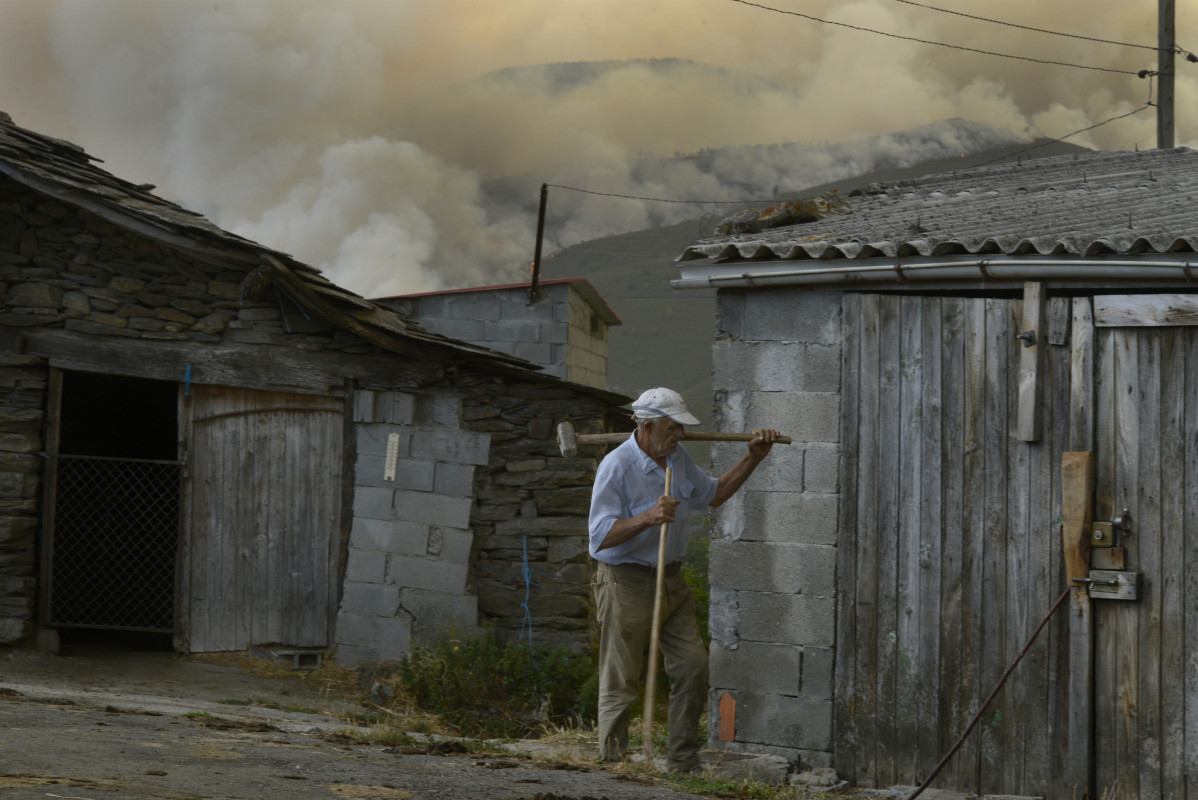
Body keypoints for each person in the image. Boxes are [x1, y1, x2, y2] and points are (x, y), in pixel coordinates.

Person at [588, 387, 779, 774]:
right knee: (622, 675)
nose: (682, 435)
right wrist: (647, 516)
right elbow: (599, 537)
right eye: (674, 427)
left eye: (682, 428)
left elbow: (714, 494)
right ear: (648, 425)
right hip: (626, 581)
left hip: (671, 579)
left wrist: (752, 459)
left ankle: (682, 761)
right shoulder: (616, 465)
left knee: (693, 665)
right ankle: (614, 765)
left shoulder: (678, 457)